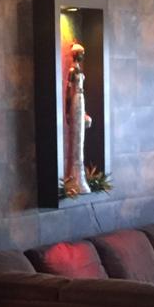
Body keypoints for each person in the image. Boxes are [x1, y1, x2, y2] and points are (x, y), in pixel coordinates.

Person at [62, 37, 92, 196]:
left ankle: (79, 177)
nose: (82, 56)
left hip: (81, 99)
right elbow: (68, 91)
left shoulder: (79, 70)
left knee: (81, 136)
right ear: (76, 55)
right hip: (75, 100)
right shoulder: (73, 71)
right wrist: (67, 110)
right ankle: (74, 177)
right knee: (76, 137)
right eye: (81, 53)